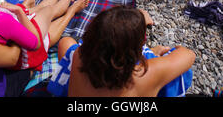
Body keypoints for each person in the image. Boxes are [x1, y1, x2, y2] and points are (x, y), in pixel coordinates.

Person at [48, 6, 195, 97]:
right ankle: (150, 51)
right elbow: (188, 55)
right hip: (143, 71)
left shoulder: (80, 56)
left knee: (66, 42)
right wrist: (156, 54)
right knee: (175, 76)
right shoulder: (146, 74)